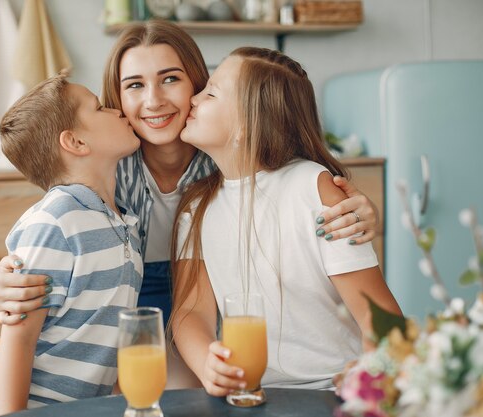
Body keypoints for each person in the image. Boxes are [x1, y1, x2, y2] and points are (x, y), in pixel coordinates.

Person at [0, 21, 379, 388]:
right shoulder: (104, 163)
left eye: (170, 79)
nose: (154, 100)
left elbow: (288, 178)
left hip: (224, 309)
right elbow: (50, 236)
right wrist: (5, 280)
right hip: (130, 307)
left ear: (198, 85)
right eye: (134, 85)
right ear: (117, 98)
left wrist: (359, 209)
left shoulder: (224, 153)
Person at [170, 47, 402, 396]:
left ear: (246, 125)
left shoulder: (316, 189)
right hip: (253, 393)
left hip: (332, 390)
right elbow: (191, 311)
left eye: (211, 92)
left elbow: (380, 319)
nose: (193, 99)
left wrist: (367, 382)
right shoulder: (196, 208)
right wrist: (207, 363)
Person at [0, 72, 143, 416]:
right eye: (100, 107)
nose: (117, 110)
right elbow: (19, 338)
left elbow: (110, 347)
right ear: (75, 142)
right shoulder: (56, 220)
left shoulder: (125, 223)